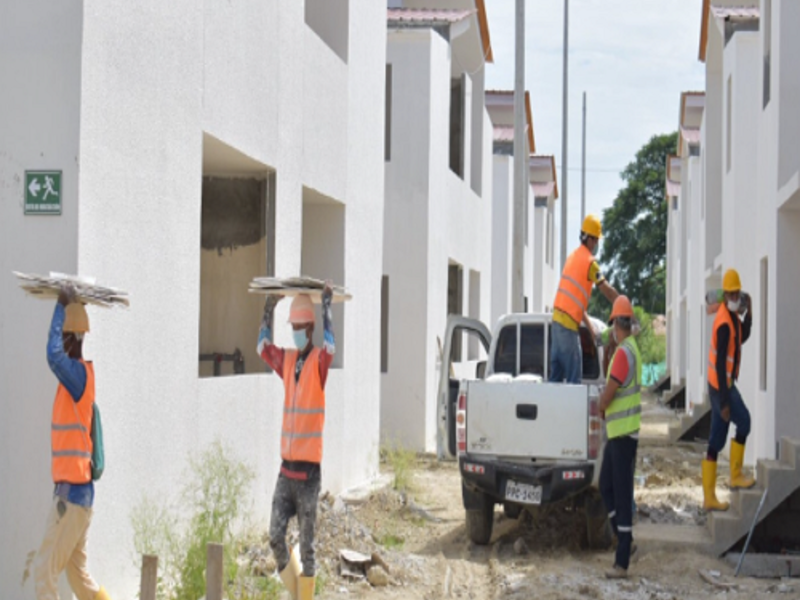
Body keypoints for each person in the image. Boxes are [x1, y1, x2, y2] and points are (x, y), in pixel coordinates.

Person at [257, 284, 335, 600]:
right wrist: (268, 308)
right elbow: (263, 346)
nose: (296, 333)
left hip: (308, 476)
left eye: (301, 327)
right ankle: (297, 594)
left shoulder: (319, 362)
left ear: (311, 327)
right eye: (294, 328)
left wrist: (327, 309)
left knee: (308, 549)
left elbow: (330, 348)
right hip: (285, 471)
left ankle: (305, 595)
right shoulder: (288, 362)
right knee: (276, 536)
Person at [35, 285, 110, 600]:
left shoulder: (77, 376)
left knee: (44, 573)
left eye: (62, 336)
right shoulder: (78, 380)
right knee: (78, 577)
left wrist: (60, 306)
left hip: (72, 496)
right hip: (80, 496)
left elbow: (52, 356)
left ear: (69, 338)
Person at [703, 269, 755, 512]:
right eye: (732, 294)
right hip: (721, 387)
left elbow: (742, 337)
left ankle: (709, 498)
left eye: (738, 293)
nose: (735, 297)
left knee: (716, 440)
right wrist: (724, 402)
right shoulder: (724, 322)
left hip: (718, 385)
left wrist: (750, 314)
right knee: (744, 422)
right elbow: (723, 360)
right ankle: (734, 476)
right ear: (725, 295)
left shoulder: (732, 317)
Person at [598, 296, 641, 580]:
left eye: (613, 323)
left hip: (623, 434)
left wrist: (600, 404)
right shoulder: (627, 349)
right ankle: (622, 538)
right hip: (620, 434)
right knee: (606, 486)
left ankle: (622, 562)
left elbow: (609, 394)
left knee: (621, 496)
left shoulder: (624, 353)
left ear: (617, 324)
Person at [551, 215, 619, 383]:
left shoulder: (572, 257)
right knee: (575, 381)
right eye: (595, 240)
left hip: (556, 325)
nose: (596, 244)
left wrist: (591, 329)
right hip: (567, 329)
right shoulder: (590, 263)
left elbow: (577, 306)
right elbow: (606, 290)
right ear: (588, 239)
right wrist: (623, 304)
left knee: (555, 382)